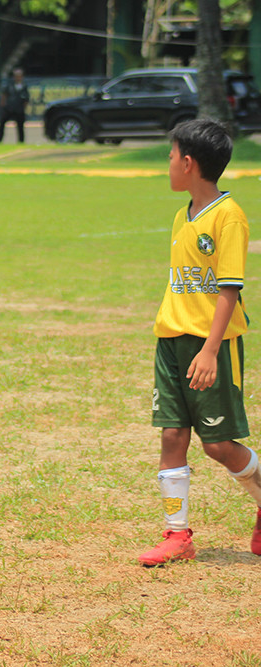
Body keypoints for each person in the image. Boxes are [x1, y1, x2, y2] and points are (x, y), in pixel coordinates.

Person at [139, 118, 261, 566]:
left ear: (188, 163)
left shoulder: (229, 216)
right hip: (171, 340)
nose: (168, 164)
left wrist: (210, 350)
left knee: (218, 445)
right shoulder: (182, 214)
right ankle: (177, 534)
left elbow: (229, 290)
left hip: (212, 345)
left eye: (171, 156)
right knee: (172, 434)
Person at [0, 68, 28, 144]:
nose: (18, 78)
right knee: (2, 123)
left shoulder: (24, 86)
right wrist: (3, 105)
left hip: (19, 109)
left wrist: (23, 107)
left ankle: (21, 141)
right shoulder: (10, 85)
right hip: (9, 108)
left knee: (20, 126)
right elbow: (4, 95)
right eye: (16, 76)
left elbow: (26, 98)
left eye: (19, 76)